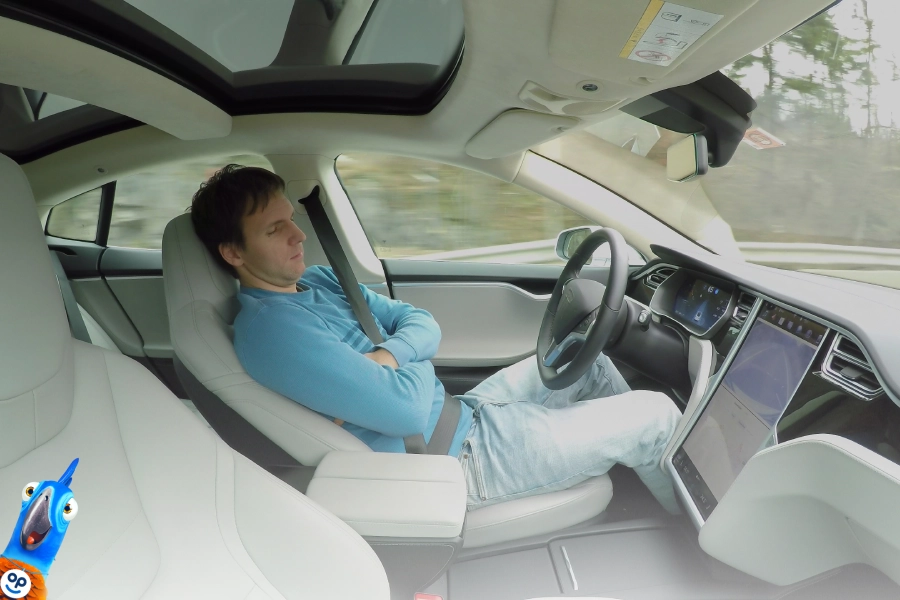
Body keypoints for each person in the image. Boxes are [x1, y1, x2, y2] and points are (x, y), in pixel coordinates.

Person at [190, 164, 682, 514]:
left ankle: (644, 480)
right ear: (233, 253)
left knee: (583, 355)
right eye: (275, 230)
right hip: (454, 459)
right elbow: (405, 409)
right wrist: (411, 357)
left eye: (292, 220)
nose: (298, 236)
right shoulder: (272, 333)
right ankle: (701, 549)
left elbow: (423, 321)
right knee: (655, 416)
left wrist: (389, 356)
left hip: (463, 412)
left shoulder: (317, 280)